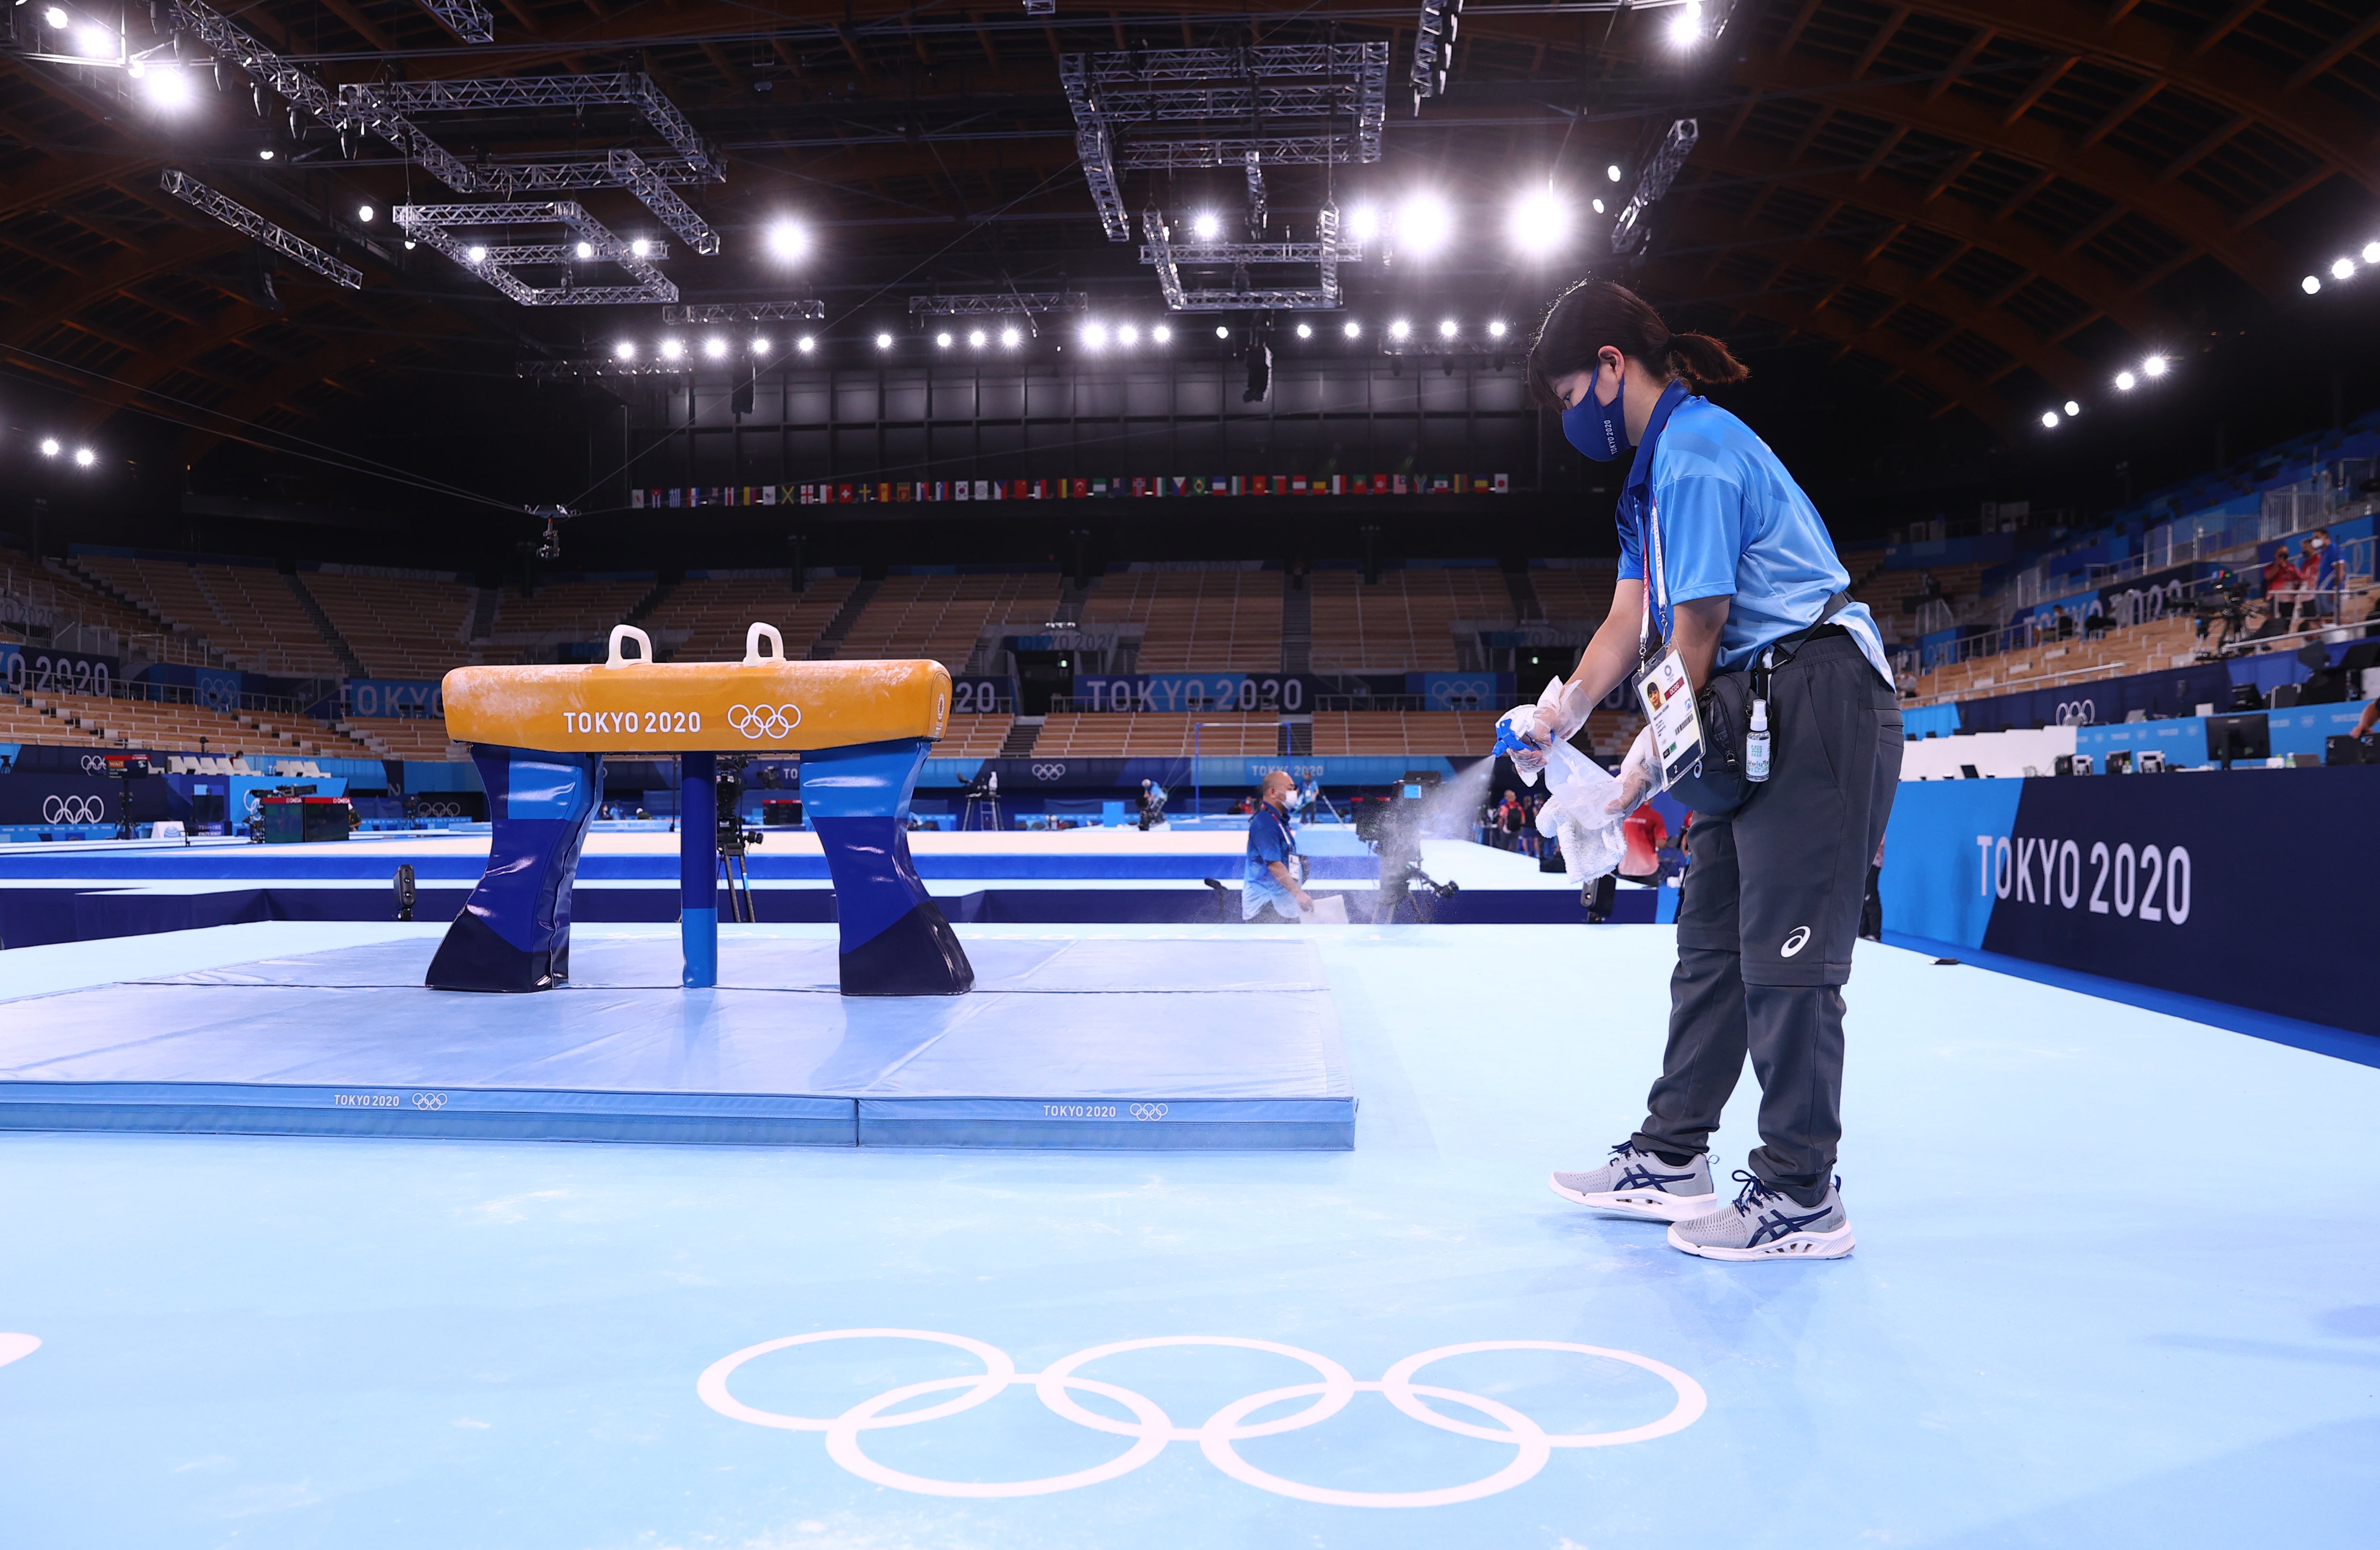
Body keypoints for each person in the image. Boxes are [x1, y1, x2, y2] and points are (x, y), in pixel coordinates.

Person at [1526, 277, 1902, 1263]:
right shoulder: (1648, 482)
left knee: (1788, 962)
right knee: (1710, 950)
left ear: (1612, 368)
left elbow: (1695, 634)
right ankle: (1672, 1155)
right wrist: (1562, 709)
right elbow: (1628, 623)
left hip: (1815, 699)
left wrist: (1643, 761)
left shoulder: (1694, 454)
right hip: (1749, 708)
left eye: (1570, 398)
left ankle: (1800, 1196)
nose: (1571, 420)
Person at [1242, 769, 1312, 923]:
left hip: (1282, 905)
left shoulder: (1279, 821)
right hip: (1266, 906)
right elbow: (1274, 865)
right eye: (1291, 788)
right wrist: (1298, 893)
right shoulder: (1265, 823)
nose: (1295, 793)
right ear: (1273, 792)